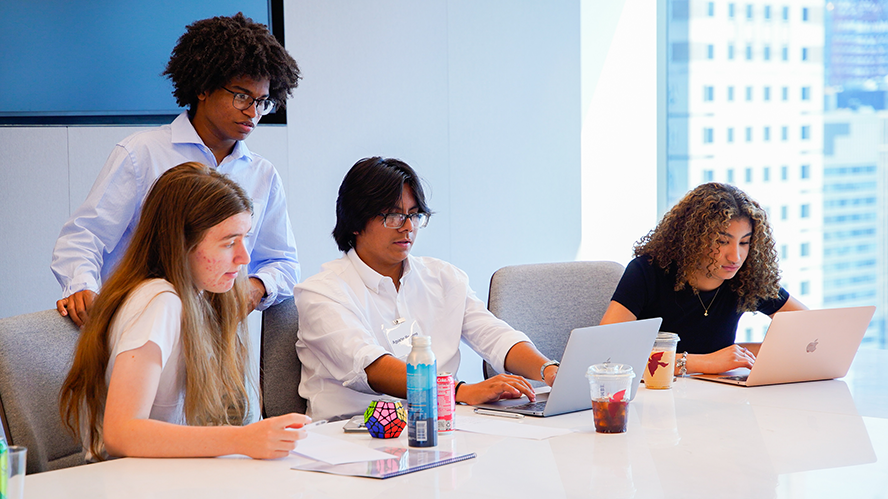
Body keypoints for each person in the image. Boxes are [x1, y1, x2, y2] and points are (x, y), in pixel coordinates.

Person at [52, 12, 301, 327]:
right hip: (137, 327)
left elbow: (284, 263)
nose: (252, 112)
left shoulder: (262, 175)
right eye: (241, 96)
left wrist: (256, 287)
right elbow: (84, 237)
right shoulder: (142, 153)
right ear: (203, 88)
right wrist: (83, 287)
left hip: (214, 344)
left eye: (263, 102)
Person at [59, 163, 310, 461]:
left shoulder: (201, 299)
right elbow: (120, 434)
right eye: (229, 242)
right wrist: (241, 439)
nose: (244, 257)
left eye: (244, 239)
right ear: (181, 244)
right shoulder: (159, 302)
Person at [294, 157, 560, 421]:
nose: (408, 227)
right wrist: (458, 390)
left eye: (414, 215)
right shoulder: (322, 292)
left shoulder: (443, 277)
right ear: (355, 222)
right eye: (394, 215)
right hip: (351, 435)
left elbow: (494, 336)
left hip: (443, 423)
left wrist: (548, 370)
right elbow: (370, 366)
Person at [600, 182, 807, 375]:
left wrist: (740, 354)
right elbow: (607, 354)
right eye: (722, 241)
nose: (735, 257)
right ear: (692, 239)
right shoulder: (647, 271)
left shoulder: (746, 278)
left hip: (715, 399)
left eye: (744, 243)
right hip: (655, 400)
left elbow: (811, 329)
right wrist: (703, 362)